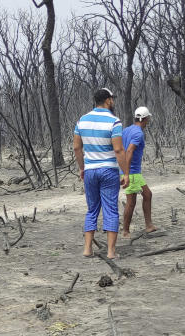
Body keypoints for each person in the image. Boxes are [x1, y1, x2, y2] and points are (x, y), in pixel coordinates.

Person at [73, 87, 129, 259]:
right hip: (109, 170)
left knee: (92, 209)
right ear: (108, 100)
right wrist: (125, 172)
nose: (113, 101)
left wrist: (82, 168)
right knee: (111, 209)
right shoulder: (114, 121)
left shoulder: (82, 120)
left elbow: (76, 147)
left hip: (90, 171)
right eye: (112, 99)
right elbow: (119, 150)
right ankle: (111, 251)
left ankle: (87, 249)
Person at [120, 106, 157, 239]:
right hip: (132, 172)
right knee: (131, 201)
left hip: (131, 171)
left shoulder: (126, 130)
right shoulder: (138, 133)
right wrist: (126, 173)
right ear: (145, 119)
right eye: (148, 119)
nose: (148, 121)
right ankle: (125, 231)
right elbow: (129, 151)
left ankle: (149, 225)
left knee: (147, 195)